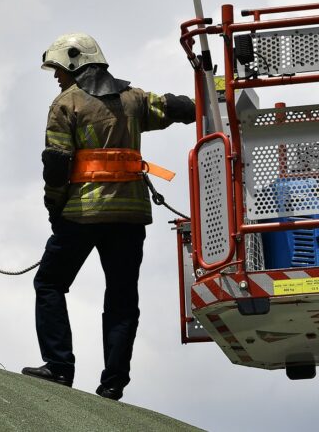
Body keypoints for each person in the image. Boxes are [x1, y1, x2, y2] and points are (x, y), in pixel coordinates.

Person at [21, 32, 195, 400]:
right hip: (130, 217)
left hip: (80, 215)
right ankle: (113, 381)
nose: (56, 77)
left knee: (49, 284)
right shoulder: (134, 100)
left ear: (73, 62)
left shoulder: (66, 104)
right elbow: (180, 108)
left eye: (57, 69)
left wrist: (54, 207)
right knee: (121, 298)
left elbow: (56, 163)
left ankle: (58, 367)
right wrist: (216, 92)